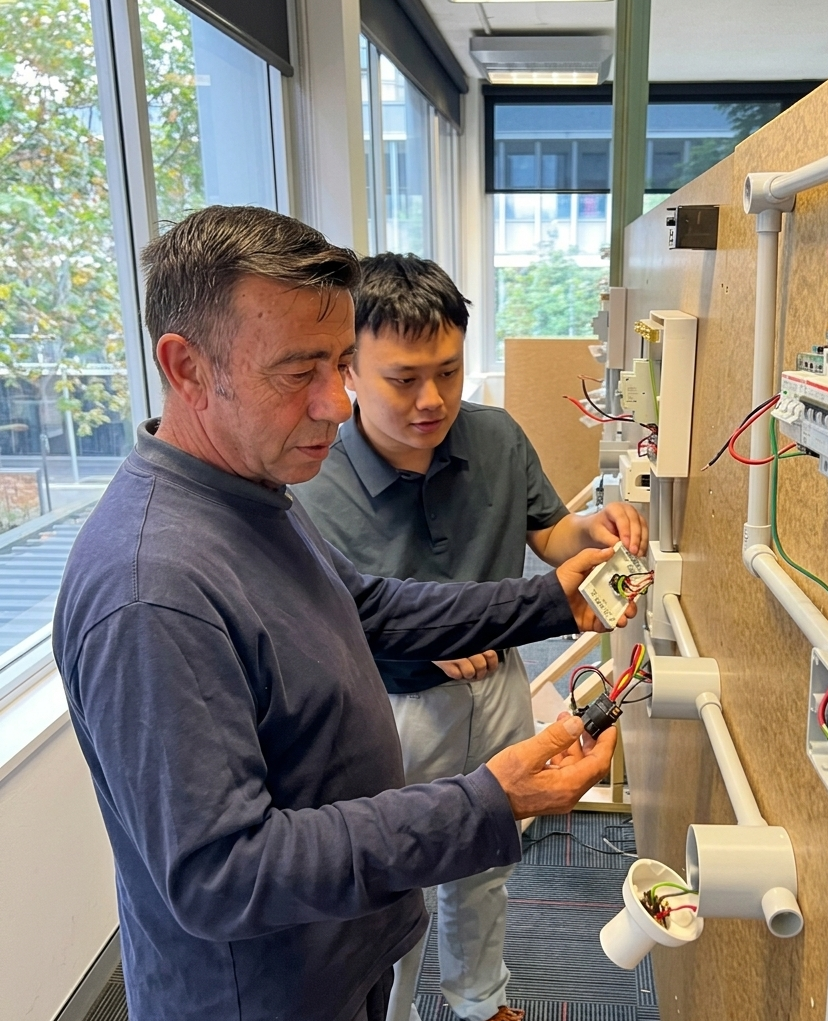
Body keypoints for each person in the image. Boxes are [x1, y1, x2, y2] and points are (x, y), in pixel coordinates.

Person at [51, 207, 634, 1021]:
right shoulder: (152, 588)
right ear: (186, 368)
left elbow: (363, 604)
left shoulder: (252, 494)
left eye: (337, 364)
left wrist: (546, 600)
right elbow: (223, 872)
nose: (334, 402)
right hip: (261, 995)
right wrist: (484, 802)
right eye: (298, 372)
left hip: (333, 949)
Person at [293, 253, 647, 1021]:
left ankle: (480, 999)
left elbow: (550, 534)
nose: (433, 399)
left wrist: (594, 528)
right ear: (350, 370)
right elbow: (311, 628)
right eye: (404, 378)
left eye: (450, 371)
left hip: (496, 690)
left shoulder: (494, 437)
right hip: (390, 705)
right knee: (394, 875)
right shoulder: (310, 478)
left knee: (487, 856)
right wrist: (416, 644)